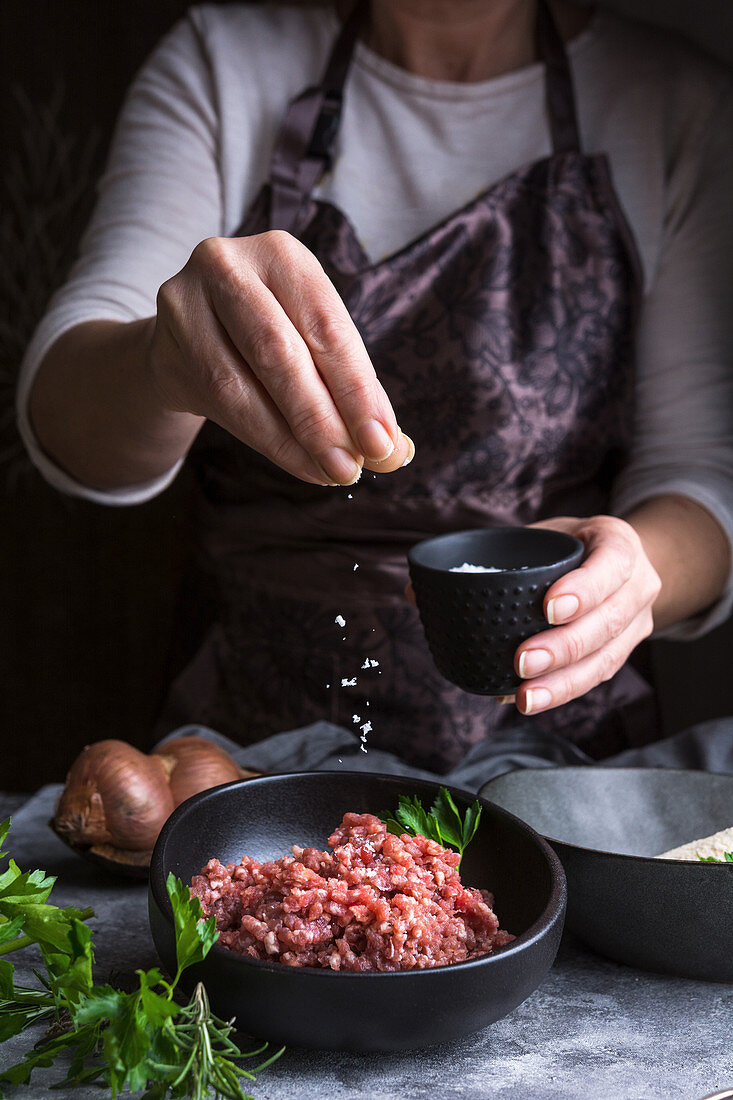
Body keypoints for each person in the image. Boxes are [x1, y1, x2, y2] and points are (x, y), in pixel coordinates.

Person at [17, 0, 733, 772]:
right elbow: (71, 422)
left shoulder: (671, 99)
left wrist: (626, 578)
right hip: (242, 745)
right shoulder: (224, 60)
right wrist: (163, 359)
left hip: (555, 748)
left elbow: (701, 469)